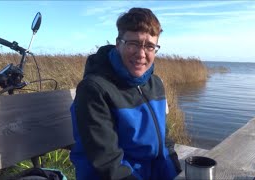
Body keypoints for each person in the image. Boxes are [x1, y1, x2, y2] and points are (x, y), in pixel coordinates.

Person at [69, 7, 182, 180]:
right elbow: (108, 163)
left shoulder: (155, 84)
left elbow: (164, 140)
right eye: (133, 44)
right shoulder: (94, 90)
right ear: (118, 43)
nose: (141, 54)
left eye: (150, 46)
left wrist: (177, 171)